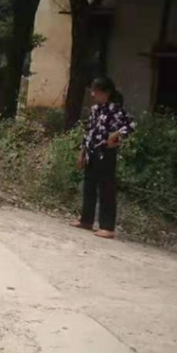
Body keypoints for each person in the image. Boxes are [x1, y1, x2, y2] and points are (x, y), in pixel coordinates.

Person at [71, 76, 135, 239]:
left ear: (105, 93)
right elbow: (89, 131)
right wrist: (83, 151)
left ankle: (107, 226)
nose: (93, 94)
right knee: (89, 186)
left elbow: (129, 126)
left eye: (96, 91)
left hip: (106, 153)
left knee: (106, 188)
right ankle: (86, 219)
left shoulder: (115, 109)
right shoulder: (95, 109)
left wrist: (117, 135)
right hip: (91, 151)